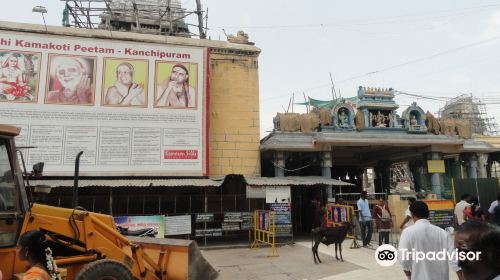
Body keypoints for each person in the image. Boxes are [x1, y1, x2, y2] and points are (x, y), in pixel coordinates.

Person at [399, 201, 457, 280]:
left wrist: (408, 274)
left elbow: (403, 259)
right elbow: (454, 258)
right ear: (428, 213)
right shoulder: (442, 233)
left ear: (412, 215)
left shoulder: (407, 232)